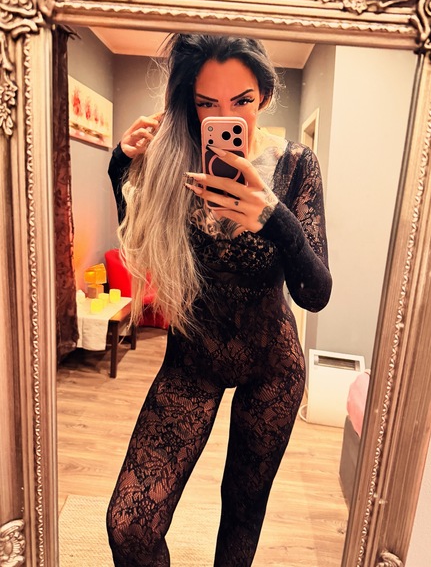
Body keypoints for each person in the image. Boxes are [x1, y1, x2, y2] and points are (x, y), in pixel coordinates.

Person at [106, 34, 332, 567]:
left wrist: (274, 219)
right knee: (129, 527)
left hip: (271, 365)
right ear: (189, 103)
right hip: (192, 358)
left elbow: (315, 293)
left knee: (241, 522)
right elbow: (138, 238)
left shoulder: (297, 166)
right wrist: (120, 166)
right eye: (207, 103)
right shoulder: (169, 160)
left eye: (242, 101)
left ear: (265, 97)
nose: (225, 116)